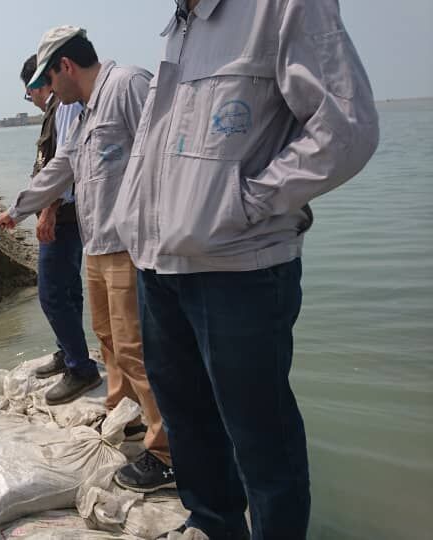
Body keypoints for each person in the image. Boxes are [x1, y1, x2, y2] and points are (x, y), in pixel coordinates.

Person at [111, 1, 380, 537]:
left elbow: (346, 128)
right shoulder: (183, 23)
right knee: (190, 425)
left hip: (240, 268)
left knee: (262, 440)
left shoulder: (278, 7)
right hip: (160, 266)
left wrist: (247, 202)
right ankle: (212, 525)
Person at [0, 26, 174, 491]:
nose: (49, 92)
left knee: (138, 349)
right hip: (97, 245)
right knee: (109, 340)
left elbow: (167, 153)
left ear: (65, 67)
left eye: (50, 82)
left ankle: (167, 451)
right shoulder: (85, 112)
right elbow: (63, 168)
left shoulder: (129, 86)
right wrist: (17, 210)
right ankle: (125, 416)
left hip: (130, 246)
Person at [18, 54, 93, 399]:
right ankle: (69, 352)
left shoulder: (63, 107)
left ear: (39, 84)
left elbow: (65, 163)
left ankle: (80, 367)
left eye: (28, 92)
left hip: (61, 216)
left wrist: (47, 211)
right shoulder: (57, 109)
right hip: (65, 214)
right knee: (68, 291)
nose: (30, 100)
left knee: (51, 294)